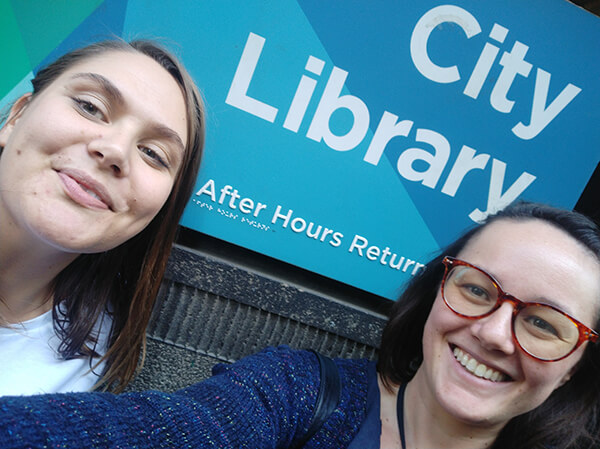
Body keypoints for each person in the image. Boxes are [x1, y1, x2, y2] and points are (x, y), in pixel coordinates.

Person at [0, 202, 598, 449]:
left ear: (576, 367)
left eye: (544, 324)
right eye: (475, 288)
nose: (493, 332)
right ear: (437, 289)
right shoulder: (300, 395)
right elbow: (170, 430)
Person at [0, 39, 205, 395]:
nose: (115, 151)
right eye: (90, 107)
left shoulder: (92, 362)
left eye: (153, 154)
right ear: (17, 116)